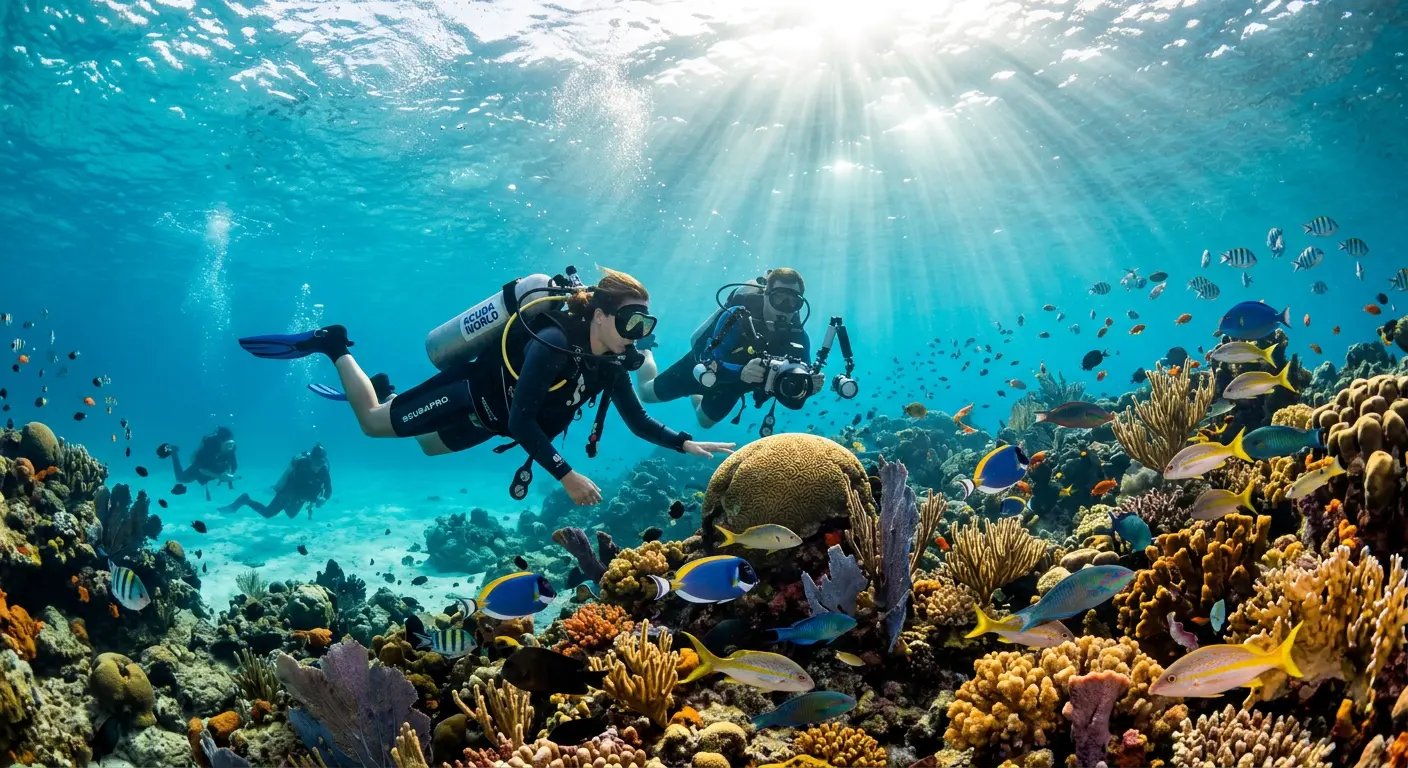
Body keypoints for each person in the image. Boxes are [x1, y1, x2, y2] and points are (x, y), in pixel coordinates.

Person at [235, 268, 735, 505]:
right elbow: (521, 420)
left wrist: (683, 441)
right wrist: (566, 476)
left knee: (428, 448)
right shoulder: (554, 342)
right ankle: (335, 345)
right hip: (470, 395)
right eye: (630, 323)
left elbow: (636, 417)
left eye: (644, 326)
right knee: (372, 425)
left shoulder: (608, 362)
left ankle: (390, 393)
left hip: (489, 419)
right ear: (600, 315)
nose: (636, 337)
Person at [636, 267, 819, 427]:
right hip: (700, 365)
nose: (785, 308)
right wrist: (741, 372)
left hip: (733, 386)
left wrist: (809, 386)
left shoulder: (799, 337)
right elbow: (707, 357)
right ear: (765, 294)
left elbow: (797, 384)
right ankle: (645, 346)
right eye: (779, 298)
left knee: (704, 422)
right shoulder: (738, 315)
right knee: (646, 393)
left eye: (793, 302)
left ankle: (696, 395)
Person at [220, 443, 332, 519]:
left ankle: (281, 501)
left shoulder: (324, 470)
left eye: (321, 463)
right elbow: (288, 479)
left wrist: (324, 498)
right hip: (288, 494)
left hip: (301, 498)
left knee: (291, 515)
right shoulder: (301, 465)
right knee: (268, 514)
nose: (318, 466)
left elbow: (328, 490)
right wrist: (280, 491)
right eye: (316, 462)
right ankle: (246, 499)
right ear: (310, 459)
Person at [157, 427, 238, 500]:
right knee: (181, 479)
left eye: (232, 444)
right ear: (220, 442)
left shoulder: (231, 448)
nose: (230, 447)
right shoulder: (210, 449)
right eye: (228, 444)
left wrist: (228, 475)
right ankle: (174, 452)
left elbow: (232, 465)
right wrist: (219, 476)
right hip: (200, 466)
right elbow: (201, 469)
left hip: (214, 468)